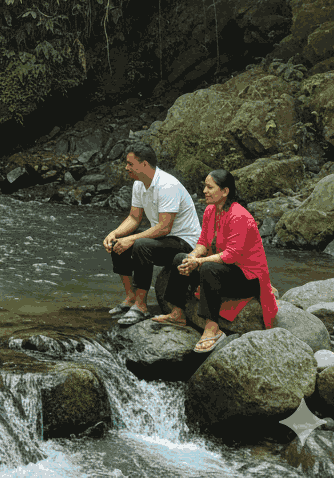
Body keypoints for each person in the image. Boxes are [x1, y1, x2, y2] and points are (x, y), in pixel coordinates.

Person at [153, 168, 279, 353]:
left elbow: (231, 255)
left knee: (208, 268)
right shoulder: (210, 210)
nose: (204, 191)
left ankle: (212, 328)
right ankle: (177, 313)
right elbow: (203, 242)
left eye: (210, 187)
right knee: (181, 258)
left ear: (225, 191)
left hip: (249, 279)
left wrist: (200, 262)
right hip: (226, 270)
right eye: (205, 186)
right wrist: (193, 256)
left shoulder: (239, 215)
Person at [103, 143, 201, 327]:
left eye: (130, 164)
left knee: (140, 244)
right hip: (165, 238)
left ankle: (141, 307)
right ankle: (130, 299)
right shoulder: (139, 185)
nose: (126, 168)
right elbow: (134, 218)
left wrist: (131, 239)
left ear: (145, 164)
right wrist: (114, 233)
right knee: (119, 243)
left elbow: (164, 227)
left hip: (185, 242)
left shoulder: (167, 185)